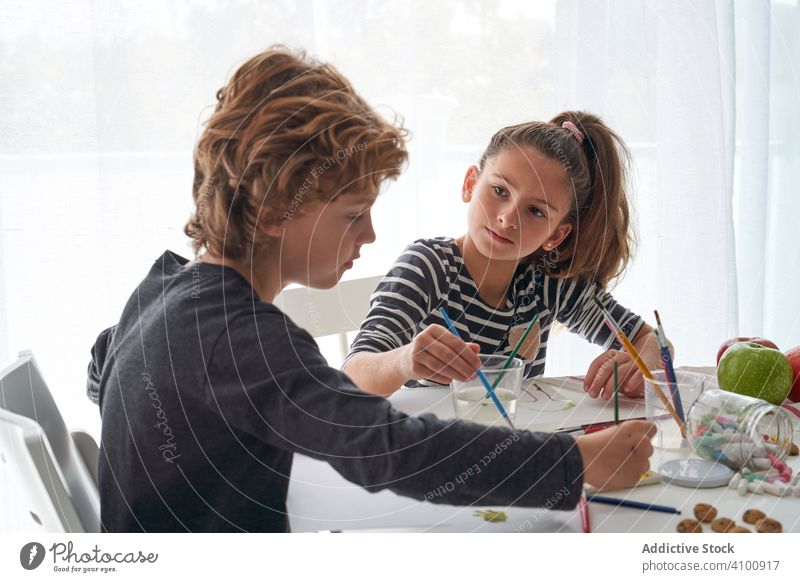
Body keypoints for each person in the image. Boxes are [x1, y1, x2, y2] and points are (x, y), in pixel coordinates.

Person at [86, 47, 655, 532]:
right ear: (281, 207)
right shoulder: (246, 342)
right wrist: (576, 462)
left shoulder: (164, 291)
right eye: (355, 213)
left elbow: (102, 365)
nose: (371, 233)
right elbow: (393, 450)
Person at [343, 113, 670, 398]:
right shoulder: (428, 267)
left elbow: (653, 341)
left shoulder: (546, 283)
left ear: (556, 235)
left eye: (536, 211)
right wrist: (404, 361)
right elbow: (353, 376)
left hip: (514, 453)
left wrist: (639, 364)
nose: (508, 218)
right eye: (499, 191)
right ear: (471, 183)